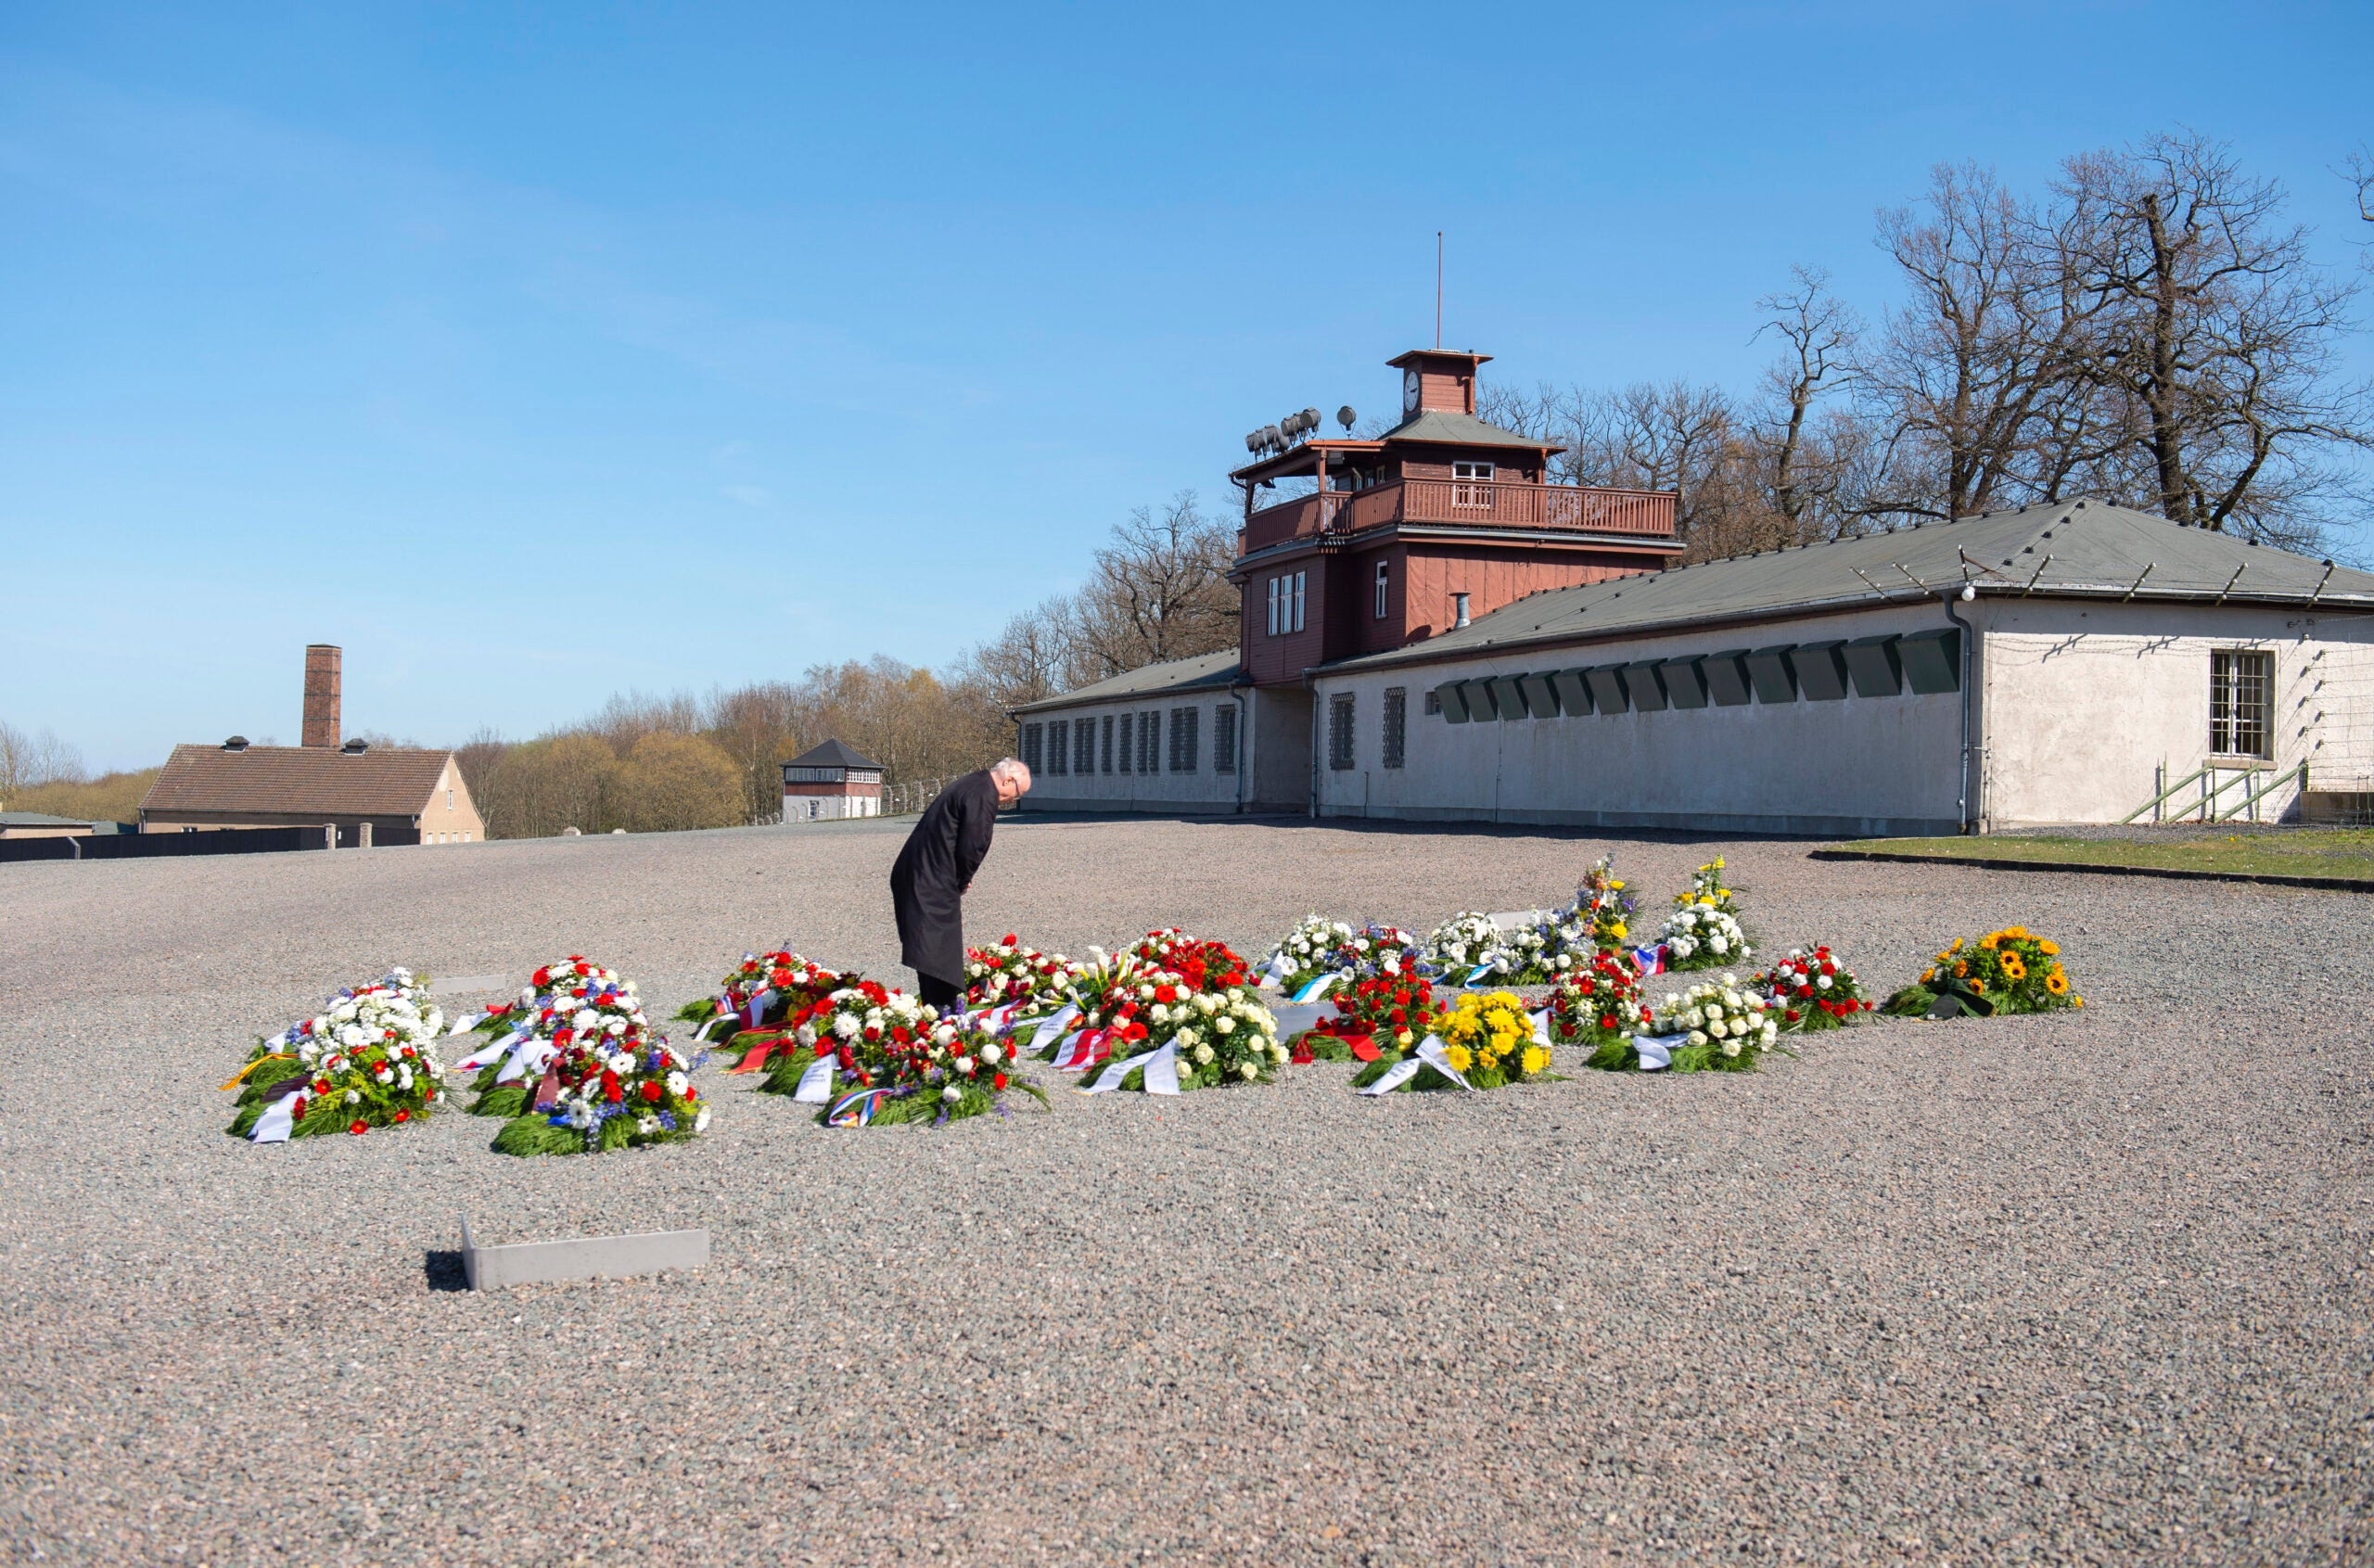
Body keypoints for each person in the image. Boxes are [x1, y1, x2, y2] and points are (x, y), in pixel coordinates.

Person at [889, 758, 1030, 1012]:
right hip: (929, 878)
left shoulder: (974, 783)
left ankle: (938, 1004)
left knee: (932, 943)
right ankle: (942, 1008)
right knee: (937, 947)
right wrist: (963, 879)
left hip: (922, 871)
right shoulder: (983, 794)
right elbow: (973, 844)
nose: (1013, 799)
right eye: (1017, 794)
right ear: (1008, 780)